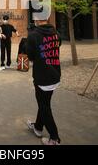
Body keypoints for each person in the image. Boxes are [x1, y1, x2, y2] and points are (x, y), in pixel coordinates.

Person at [26, 16, 62, 145]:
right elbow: (57, 47)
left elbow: (30, 56)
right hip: (54, 74)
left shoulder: (33, 35)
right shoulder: (56, 34)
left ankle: (54, 138)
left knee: (44, 106)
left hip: (42, 77)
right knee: (44, 103)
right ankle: (38, 127)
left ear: (36, 20)